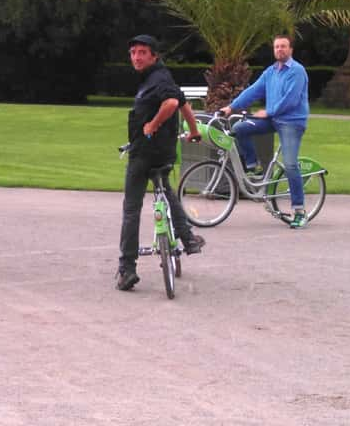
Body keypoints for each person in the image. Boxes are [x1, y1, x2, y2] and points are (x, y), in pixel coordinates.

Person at [116, 34, 205, 291]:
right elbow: (184, 103)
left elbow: (172, 103)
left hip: (144, 154)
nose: (136, 57)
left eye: (142, 52)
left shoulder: (157, 79)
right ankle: (187, 238)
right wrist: (194, 130)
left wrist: (151, 126)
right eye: (133, 52)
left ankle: (127, 269)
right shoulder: (162, 77)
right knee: (166, 189)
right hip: (164, 154)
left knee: (131, 210)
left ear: (154, 56)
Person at [221, 34, 311, 228]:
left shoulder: (297, 71)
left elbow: (291, 100)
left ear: (291, 50)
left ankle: (299, 211)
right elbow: (253, 91)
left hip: (292, 122)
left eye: (283, 46)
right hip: (273, 119)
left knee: (290, 164)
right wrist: (230, 108)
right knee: (239, 128)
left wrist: (269, 111)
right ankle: (254, 167)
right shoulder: (271, 72)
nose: (279, 50)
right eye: (277, 47)